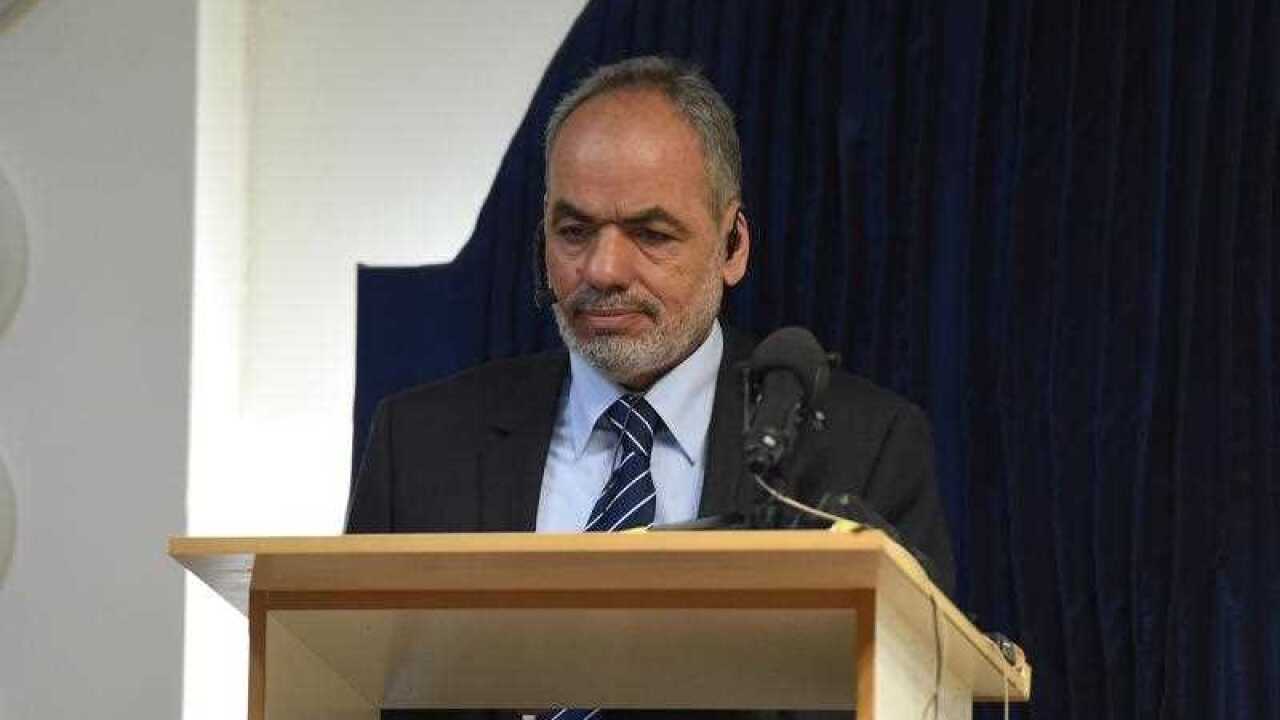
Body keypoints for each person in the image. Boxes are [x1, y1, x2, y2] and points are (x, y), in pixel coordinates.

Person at [346, 56, 955, 719]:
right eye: (573, 232)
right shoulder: (424, 444)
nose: (603, 269)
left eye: (650, 233)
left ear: (732, 246)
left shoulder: (861, 449)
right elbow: (348, 687)